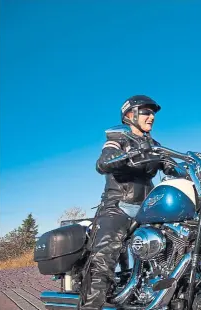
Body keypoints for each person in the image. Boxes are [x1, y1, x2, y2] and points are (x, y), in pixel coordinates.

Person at [78, 95, 181, 310]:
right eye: (145, 112)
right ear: (129, 115)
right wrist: (117, 157)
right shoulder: (119, 138)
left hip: (147, 210)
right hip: (118, 206)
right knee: (103, 260)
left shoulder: (154, 145)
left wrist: (182, 170)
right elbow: (104, 160)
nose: (151, 116)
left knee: (172, 247)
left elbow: (169, 165)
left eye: (152, 113)